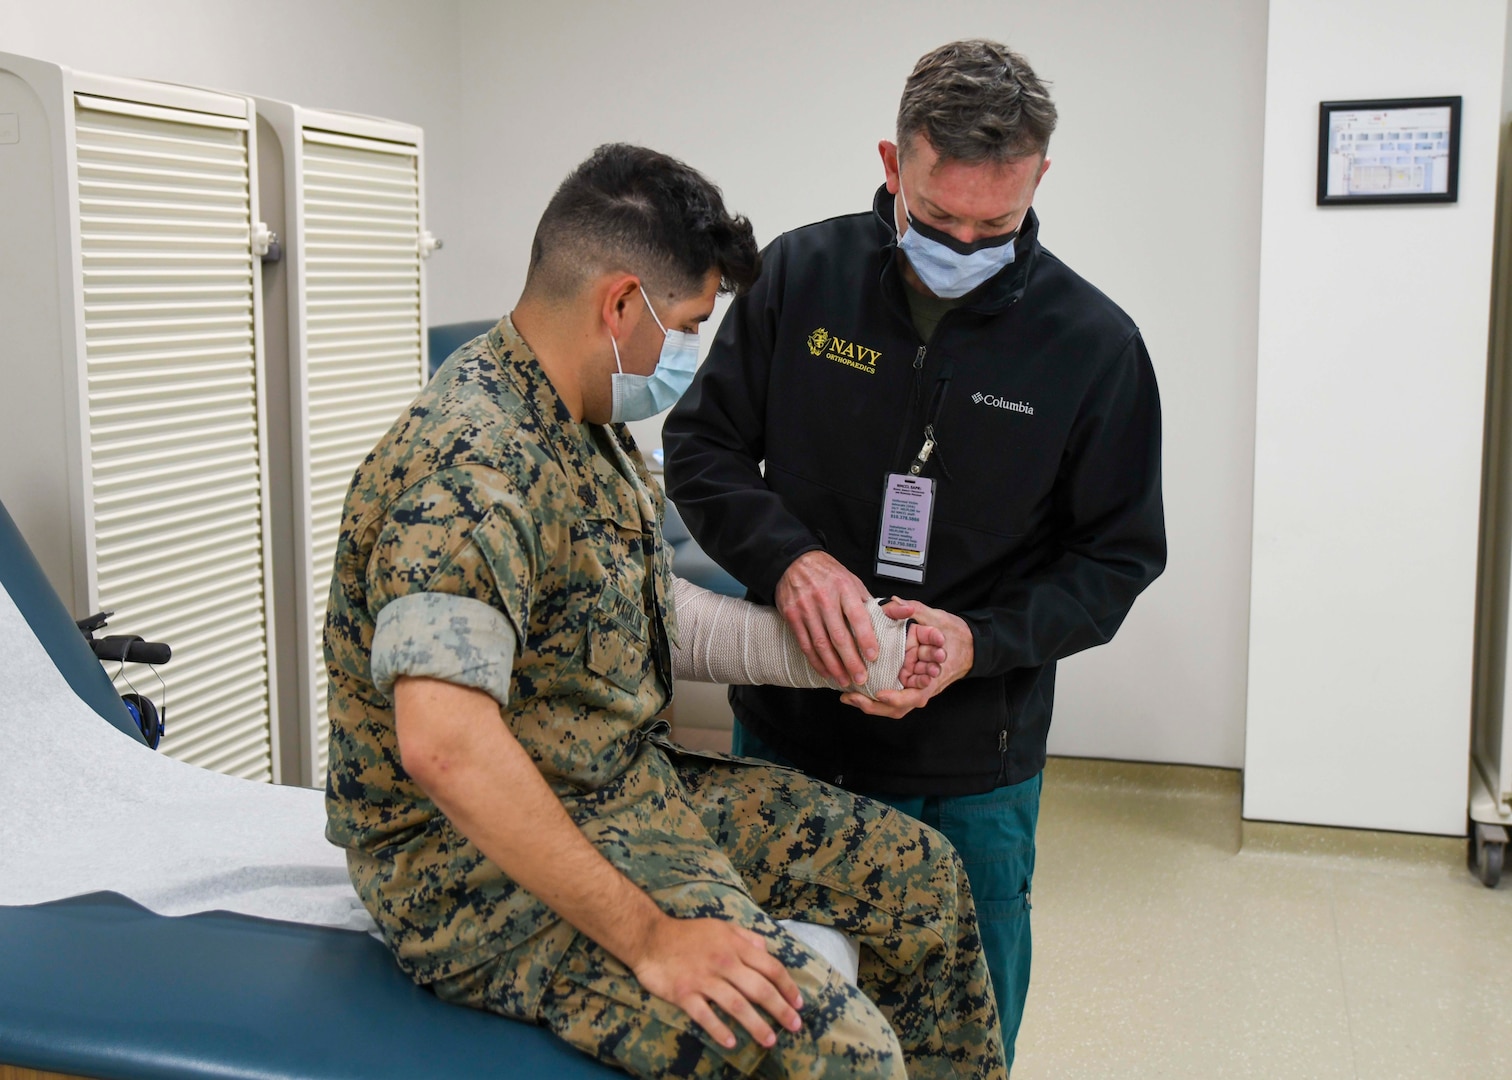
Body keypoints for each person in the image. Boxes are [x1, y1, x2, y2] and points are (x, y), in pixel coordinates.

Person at [323, 142, 1008, 1080]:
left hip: (615, 785)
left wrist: (845, 652)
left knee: (924, 882)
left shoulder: (583, 419)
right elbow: (443, 744)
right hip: (469, 868)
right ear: (618, 304)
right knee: (845, 1061)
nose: (689, 350)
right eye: (686, 324)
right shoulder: (471, 464)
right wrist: (652, 938)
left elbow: (633, 610)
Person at [663, 40, 1167, 1068]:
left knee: (956, 1041)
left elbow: (1116, 559)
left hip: (969, 768)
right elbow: (704, 449)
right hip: (792, 742)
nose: (967, 242)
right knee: (783, 1030)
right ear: (895, 165)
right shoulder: (801, 278)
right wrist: (792, 565)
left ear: (1039, 181)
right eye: (940, 221)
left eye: (998, 225)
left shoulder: (1094, 346)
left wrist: (975, 643)